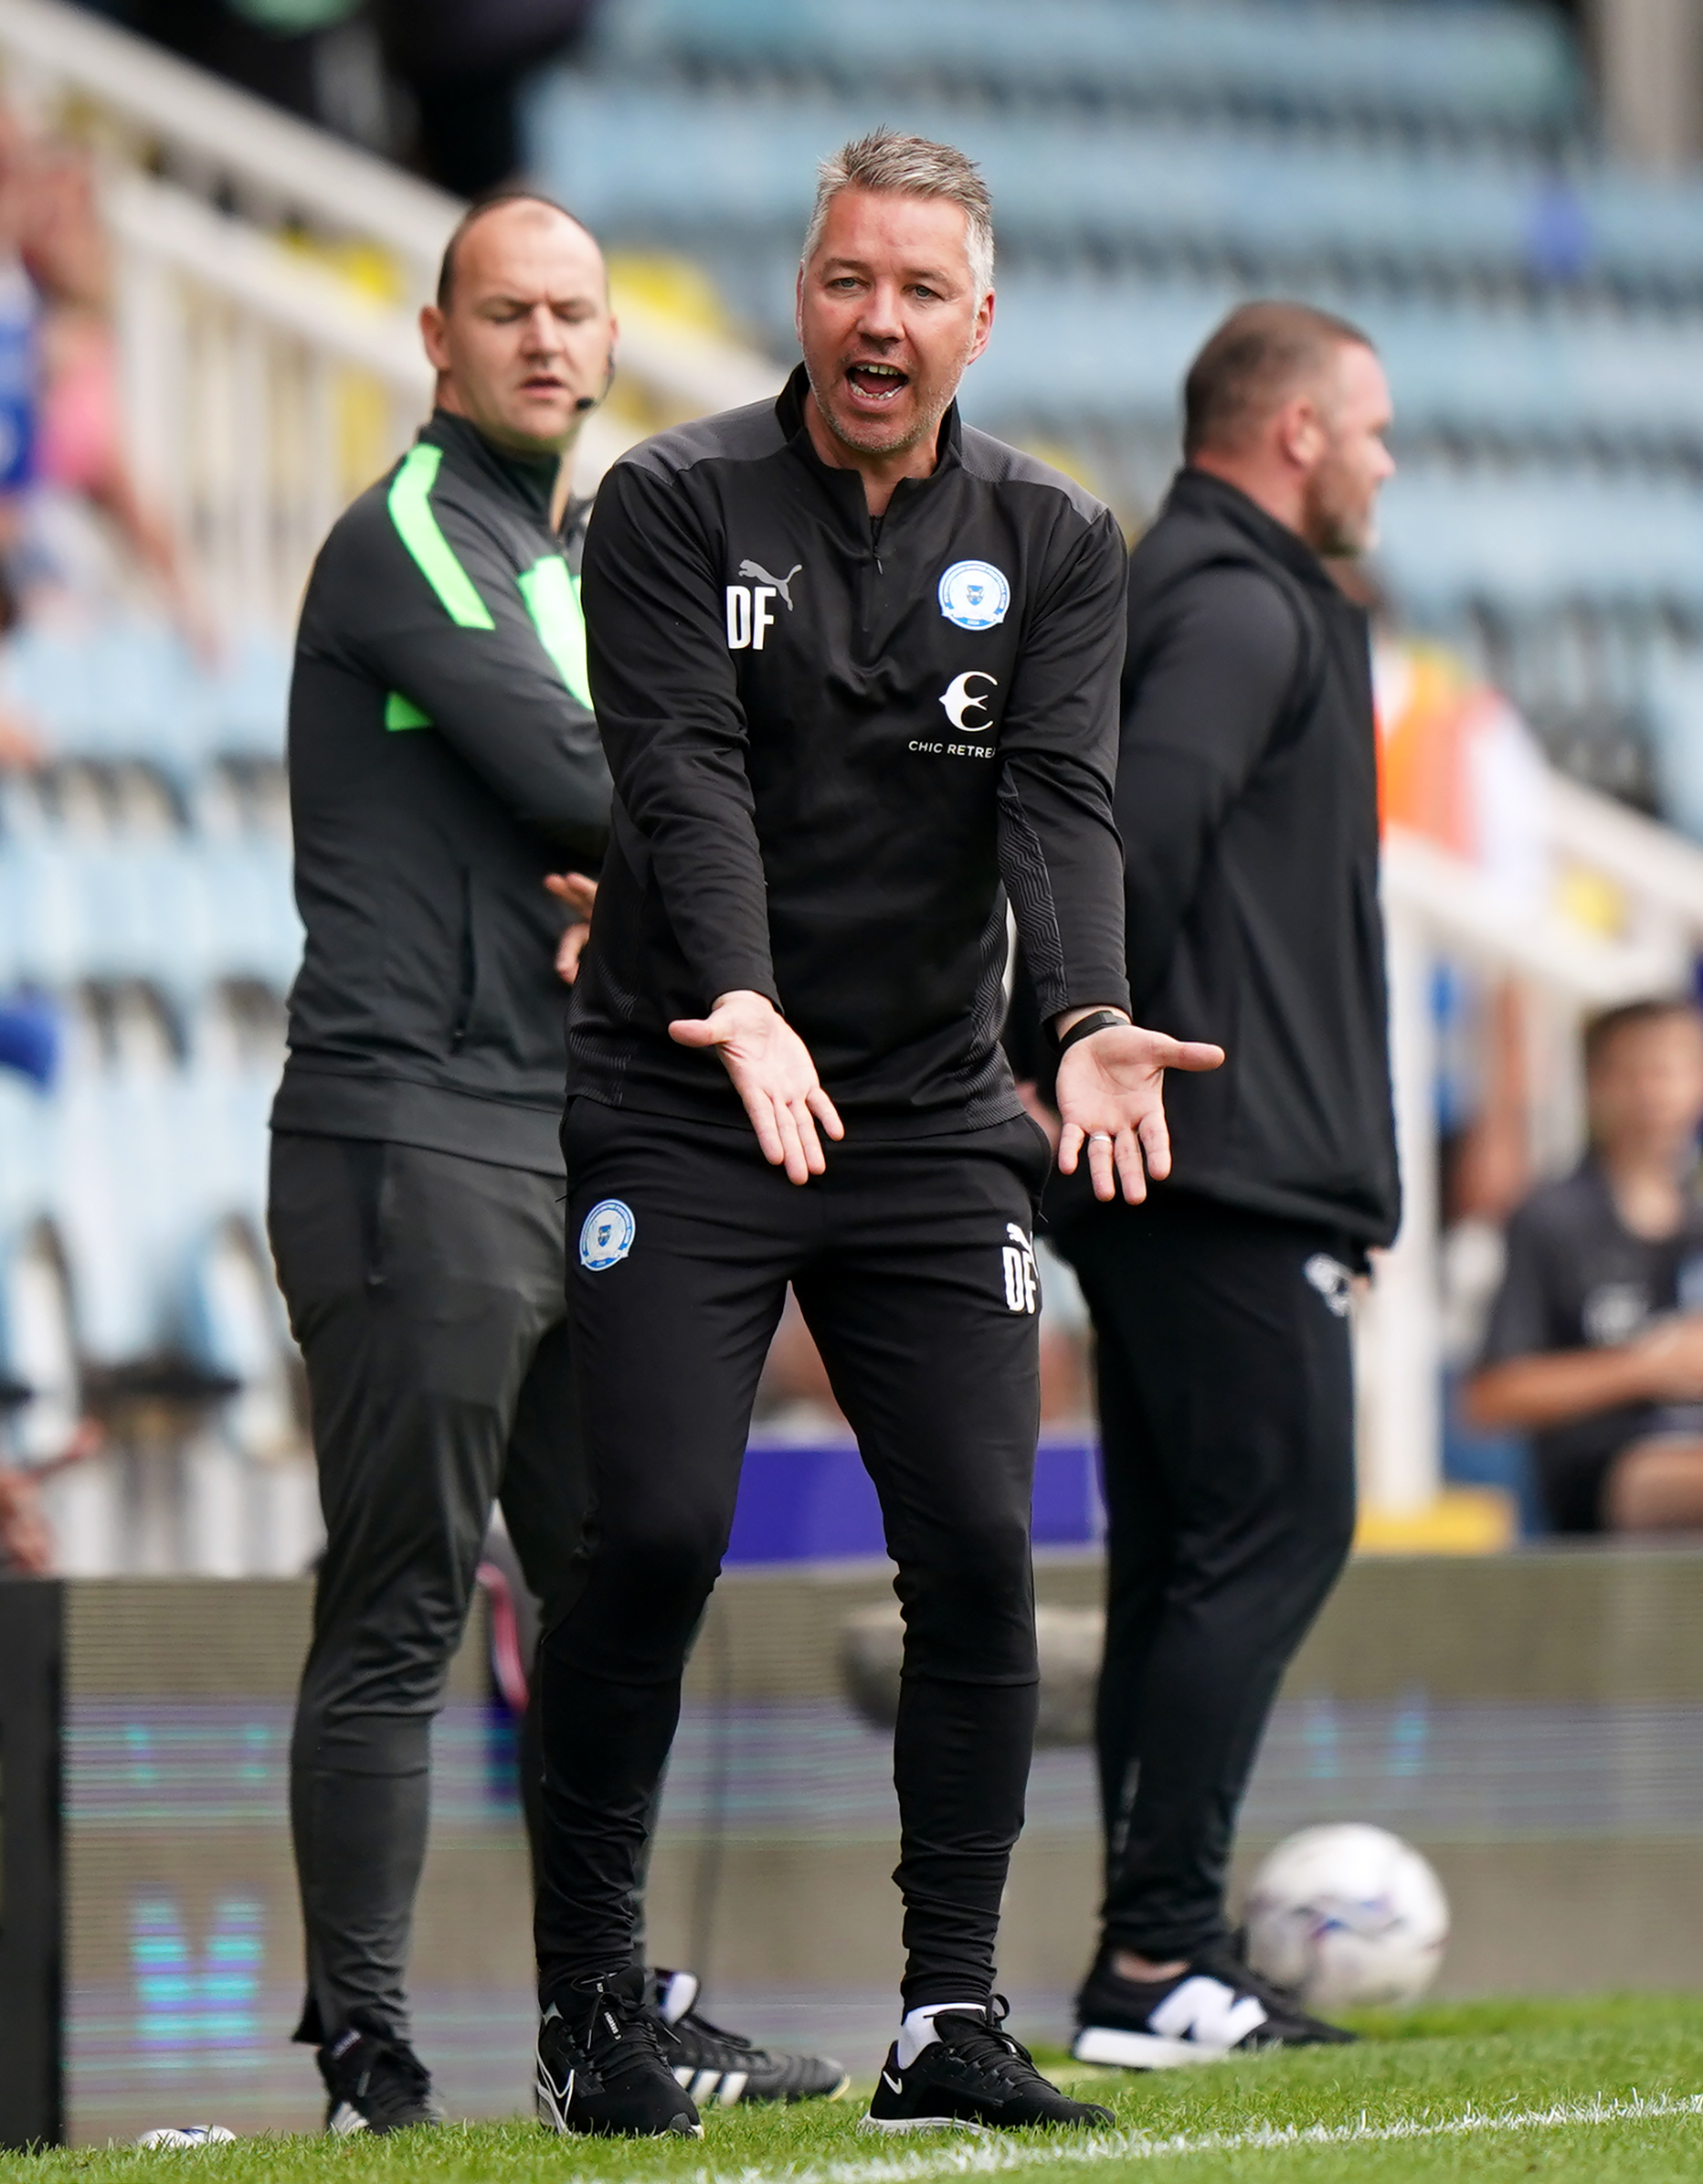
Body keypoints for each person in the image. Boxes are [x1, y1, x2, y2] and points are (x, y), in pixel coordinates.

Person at [531, 126, 1221, 2140]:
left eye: (921, 292)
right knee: (653, 1525)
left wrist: (1081, 1014)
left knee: (988, 1549)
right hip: (683, 1083)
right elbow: (674, 766)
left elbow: (1057, 808)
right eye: (850, 280)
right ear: (802, 293)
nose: (879, 320)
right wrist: (733, 992)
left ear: (976, 323)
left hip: (922, 1111)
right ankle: (590, 2012)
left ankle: (946, 2013)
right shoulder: (670, 500)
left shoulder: (1057, 540)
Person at [270, 189, 841, 2136]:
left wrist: (664, 883)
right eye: (503, 310)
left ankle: (599, 2007)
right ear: (434, 340)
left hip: (561, 1125)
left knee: (615, 1569)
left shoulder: (565, 553)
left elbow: (644, 803)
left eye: (574, 311)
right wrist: (709, 862)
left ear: (611, 343)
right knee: (408, 1594)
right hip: (410, 1128)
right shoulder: (414, 534)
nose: (542, 340)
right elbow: (609, 784)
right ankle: (366, 2053)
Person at [1040, 302, 1401, 2069]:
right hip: (1210, 1167)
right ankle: (1152, 1958)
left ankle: (1147, 1960)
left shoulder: (1203, 589)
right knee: (1273, 1530)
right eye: (1372, 429)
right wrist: (1083, 1042)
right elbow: (1131, 827)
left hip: (1217, 1167)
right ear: (1295, 436)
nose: (1385, 463)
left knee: (1190, 1557)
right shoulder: (1244, 604)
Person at [1465, 998, 1703, 1533]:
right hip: (1602, 1469)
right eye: (1637, 1071)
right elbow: (1490, 1395)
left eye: (1674, 1068)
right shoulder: (1551, 1217)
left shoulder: (1695, 1217)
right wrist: (1647, 1366)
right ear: (1596, 1084)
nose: (1656, 1092)